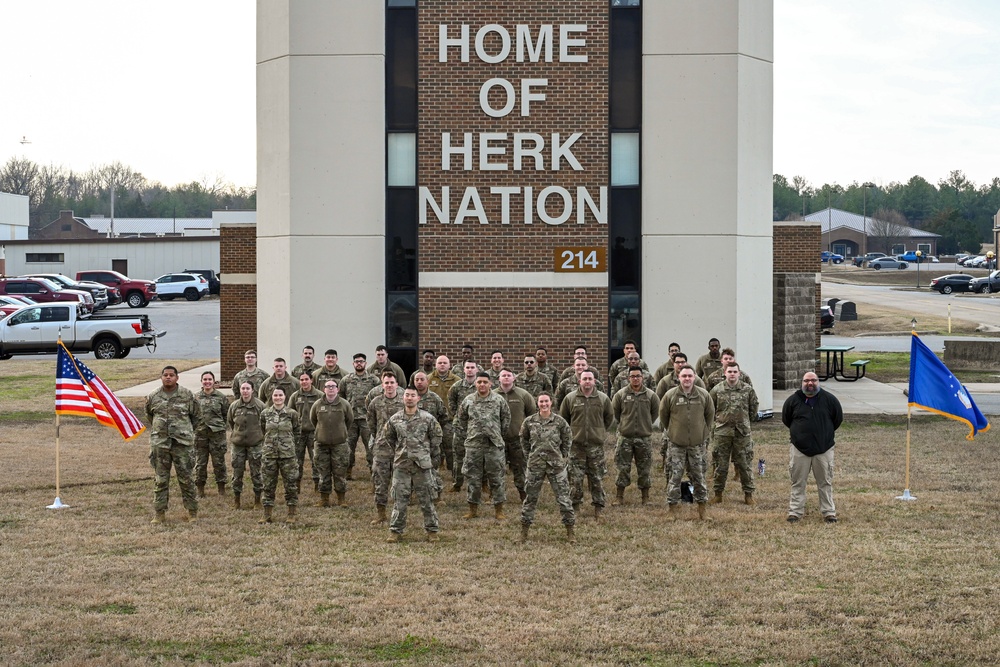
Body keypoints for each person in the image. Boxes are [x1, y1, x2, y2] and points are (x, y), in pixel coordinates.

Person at [384, 385, 444, 543]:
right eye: (407, 395)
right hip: (402, 465)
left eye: (412, 395)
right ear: (403, 398)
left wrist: (426, 454)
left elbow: (436, 438)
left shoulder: (428, 418)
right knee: (400, 501)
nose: (409, 398)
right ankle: (395, 531)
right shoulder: (395, 419)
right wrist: (400, 451)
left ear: (418, 398)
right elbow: (389, 438)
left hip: (422, 466)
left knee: (427, 500)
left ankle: (432, 531)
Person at [782, 371, 843, 523]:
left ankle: (829, 512)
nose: (810, 384)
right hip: (799, 450)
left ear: (818, 382)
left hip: (824, 449)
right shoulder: (793, 401)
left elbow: (837, 419)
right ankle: (795, 512)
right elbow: (786, 419)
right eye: (807, 381)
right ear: (802, 382)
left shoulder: (830, 400)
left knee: (825, 482)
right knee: (797, 482)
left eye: (814, 380)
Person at [145, 366, 201, 524]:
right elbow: (150, 415)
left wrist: (185, 432)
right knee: (161, 479)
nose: (168, 377)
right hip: (160, 444)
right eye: (165, 375)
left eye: (171, 375)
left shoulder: (187, 395)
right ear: (161, 377)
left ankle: (192, 512)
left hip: (182, 444)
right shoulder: (153, 396)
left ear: (177, 377)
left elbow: (196, 417)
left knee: (186, 478)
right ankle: (159, 513)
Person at [519, 392, 576, 544]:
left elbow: (567, 439)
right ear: (537, 404)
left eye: (546, 401)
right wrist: (530, 455)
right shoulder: (529, 422)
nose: (544, 404)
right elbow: (524, 440)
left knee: (564, 499)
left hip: (555, 465)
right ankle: (524, 533)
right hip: (535, 465)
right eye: (541, 402)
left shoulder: (559, 422)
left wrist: (561, 455)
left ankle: (570, 532)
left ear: (551, 403)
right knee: (530, 499)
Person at [660, 365, 715, 520]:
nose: (687, 379)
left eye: (690, 376)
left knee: (699, 477)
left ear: (694, 377)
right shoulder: (671, 395)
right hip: (676, 444)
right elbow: (664, 416)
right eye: (684, 376)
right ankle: (672, 509)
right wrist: (674, 432)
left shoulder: (703, 395)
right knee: (674, 476)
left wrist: (702, 432)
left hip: (697, 445)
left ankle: (702, 511)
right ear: (679, 377)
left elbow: (710, 415)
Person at [559, 369, 615, 520]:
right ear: (580, 381)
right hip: (576, 447)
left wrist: (599, 432)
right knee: (575, 480)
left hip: (595, 447)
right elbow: (564, 419)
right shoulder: (570, 398)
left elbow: (609, 418)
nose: (587, 381)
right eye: (585, 379)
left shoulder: (602, 399)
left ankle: (598, 507)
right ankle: (575, 506)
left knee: (596, 478)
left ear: (595, 381)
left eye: (590, 379)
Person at [456, 371, 511, 520]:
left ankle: (499, 510)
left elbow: (505, 419)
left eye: (485, 382)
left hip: (493, 446)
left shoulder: (498, 400)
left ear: (490, 383)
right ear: (475, 383)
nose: (482, 384)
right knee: (473, 478)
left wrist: (497, 435)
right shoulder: (468, 400)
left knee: (497, 478)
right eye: (479, 382)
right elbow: (461, 420)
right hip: (474, 446)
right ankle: (472, 509)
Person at [709, 363, 759, 505]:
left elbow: (753, 408)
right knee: (720, 464)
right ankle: (718, 494)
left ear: (739, 373)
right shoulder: (717, 390)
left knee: (744, 464)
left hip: (742, 433)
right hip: (722, 433)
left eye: (734, 371)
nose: (732, 374)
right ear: (725, 373)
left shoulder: (747, 390)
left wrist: (744, 422)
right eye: (729, 371)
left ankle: (748, 495)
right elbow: (710, 409)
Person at [611, 367, 659, 506]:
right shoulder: (621, 394)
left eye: (638, 376)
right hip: (625, 437)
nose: (636, 378)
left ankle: (645, 497)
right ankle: (619, 497)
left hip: (644, 438)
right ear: (628, 378)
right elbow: (616, 413)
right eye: (633, 376)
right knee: (622, 468)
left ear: (642, 377)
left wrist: (645, 424)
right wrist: (626, 425)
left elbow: (655, 413)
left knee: (644, 468)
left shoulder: (650, 395)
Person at [367, 371, 406, 526]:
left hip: (400, 449)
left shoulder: (404, 402)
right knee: (380, 482)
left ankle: (400, 515)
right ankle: (381, 514)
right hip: (382, 449)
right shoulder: (375, 402)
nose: (389, 386)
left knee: (401, 484)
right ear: (382, 385)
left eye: (392, 383)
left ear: (397, 384)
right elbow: (371, 423)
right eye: (386, 383)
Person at [258, 387, 301, 524]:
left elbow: (297, 432)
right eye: (275, 395)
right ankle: (267, 514)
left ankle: (291, 513)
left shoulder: (292, 414)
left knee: (291, 485)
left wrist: (290, 446)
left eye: (280, 395)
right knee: (268, 485)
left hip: (287, 455)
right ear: (272, 397)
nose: (278, 397)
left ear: (285, 396)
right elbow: (262, 429)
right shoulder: (265, 413)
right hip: (269, 454)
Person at [310, 378, 354, 507]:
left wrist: (340, 432)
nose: (330, 388)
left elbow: (349, 421)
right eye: (328, 386)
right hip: (321, 443)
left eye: (333, 386)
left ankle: (341, 499)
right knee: (323, 472)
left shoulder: (344, 404)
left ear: (337, 389)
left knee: (340, 471)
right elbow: (313, 420)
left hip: (339, 444)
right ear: (324, 389)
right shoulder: (317, 404)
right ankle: (324, 499)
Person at [496, 368, 536, 501]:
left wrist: (528, 434)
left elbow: (532, 415)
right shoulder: (493, 395)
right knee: (497, 469)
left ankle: (523, 494)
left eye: (509, 375)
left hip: (517, 440)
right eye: (503, 375)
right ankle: (497, 496)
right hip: (498, 440)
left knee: (520, 469)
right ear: (499, 379)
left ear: (514, 378)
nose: (506, 378)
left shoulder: (524, 395)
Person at [227, 382, 266, 510]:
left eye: (247, 388)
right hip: (238, 445)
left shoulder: (260, 406)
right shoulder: (234, 406)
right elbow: (231, 422)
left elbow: (265, 424)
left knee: (256, 473)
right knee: (237, 474)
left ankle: (257, 500)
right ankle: (237, 500)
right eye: (243, 388)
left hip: (255, 444)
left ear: (252, 390)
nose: (245, 391)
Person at [340, 353, 380, 478]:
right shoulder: (346, 379)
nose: (359, 363)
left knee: (370, 447)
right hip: (351, 419)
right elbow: (341, 397)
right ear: (353, 364)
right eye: (356, 361)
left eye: (361, 361)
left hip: (367, 419)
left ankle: (373, 471)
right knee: (348, 447)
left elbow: (378, 397)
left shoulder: (374, 380)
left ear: (365, 363)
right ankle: (347, 472)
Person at [193, 370, 231, 498]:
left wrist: (220, 427)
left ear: (214, 382)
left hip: (217, 436)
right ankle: (200, 489)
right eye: (205, 379)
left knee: (219, 462)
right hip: (200, 435)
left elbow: (227, 415)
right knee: (200, 463)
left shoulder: (221, 397)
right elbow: (191, 415)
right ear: (201, 381)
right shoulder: (195, 397)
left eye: (210, 379)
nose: (207, 382)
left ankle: (221, 488)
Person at [413, 371, 449, 499]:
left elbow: (444, 417)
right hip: (413, 441)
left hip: (431, 441)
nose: (419, 382)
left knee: (433, 468)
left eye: (422, 379)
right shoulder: (409, 397)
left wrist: (436, 435)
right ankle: (412, 495)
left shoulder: (435, 398)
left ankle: (438, 496)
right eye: (416, 379)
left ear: (427, 381)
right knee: (411, 468)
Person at [447, 360, 479, 491]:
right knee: (458, 455)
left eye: (472, 367)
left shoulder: (481, 385)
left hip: (477, 427)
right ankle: (457, 484)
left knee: (478, 457)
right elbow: (451, 402)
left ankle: (481, 484)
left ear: (476, 369)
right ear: (464, 370)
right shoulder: (457, 386)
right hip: (461, 426)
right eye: (468, 367)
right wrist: (458, 416)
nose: (470, 370)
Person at [288, 372, 323, 493]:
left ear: (311, 380)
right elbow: (290, 414)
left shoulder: (319, 395)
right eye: (301, 380)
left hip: (315, 432)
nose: (304, 382)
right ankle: (296, 486)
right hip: (299, 433)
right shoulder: (295, 396)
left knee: (316, 459)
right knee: (297, 460)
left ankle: (317, 485)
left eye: (306, 379)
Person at [427, 355, 460, 472]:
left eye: (445, 363)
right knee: (432, 446)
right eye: (440, 362)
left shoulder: (456, 380)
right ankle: (432, 470)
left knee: (450, 447)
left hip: (449, 419)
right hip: (432, 419)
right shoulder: (428, 379)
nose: (442, 365)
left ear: (449, 365)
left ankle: (452, 471)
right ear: (436, 365)